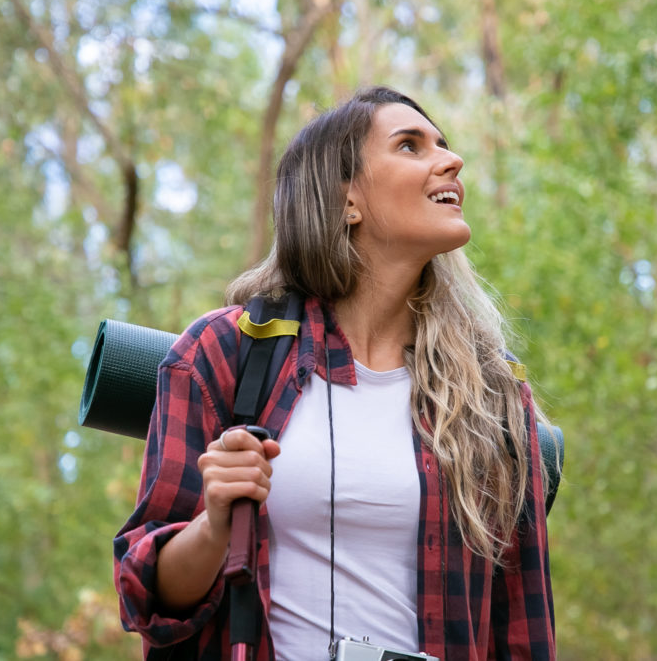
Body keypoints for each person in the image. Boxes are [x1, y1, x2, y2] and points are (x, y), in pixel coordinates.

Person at [114, 86, 556, 660]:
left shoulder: (492, 394)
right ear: (346, 199)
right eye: (410, 145)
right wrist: (215, 523)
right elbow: (148, 598)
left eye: (443, 145)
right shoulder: (226, 352)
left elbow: (524, 624)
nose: (452, 160)